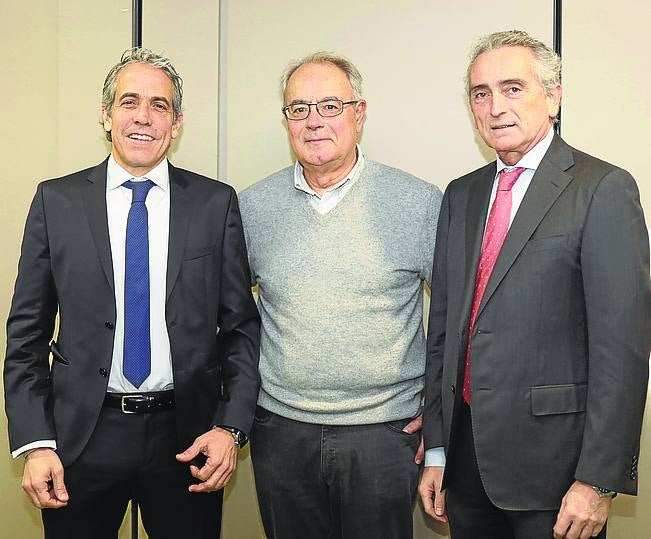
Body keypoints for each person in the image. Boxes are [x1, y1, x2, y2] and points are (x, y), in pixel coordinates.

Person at [3, 48, 260, 539]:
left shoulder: (214, 203)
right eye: (129, 102)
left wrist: (230, 428)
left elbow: (241, 327)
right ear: (106, 114)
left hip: (188, 440)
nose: (143, 117)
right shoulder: (56, 202)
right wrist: (35, 442)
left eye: (159, 105)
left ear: (177, 122)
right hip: (81, 439)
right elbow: (26, 336)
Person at [419, 30, 650, 539]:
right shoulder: (461, 194)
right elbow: (443, 333)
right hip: (465, 467)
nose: (495, 106)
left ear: (554, 95)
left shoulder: (603, 189)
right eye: (481, 93)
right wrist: (437, 449)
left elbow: (623, 350)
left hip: (558, 476)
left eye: (513, 88)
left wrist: (598, 480)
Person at [238, 52, 442, 538]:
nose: (313, 121)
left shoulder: (418, 202)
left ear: (359, 113)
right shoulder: (251, 207)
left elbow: (460, 324)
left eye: (330, 106)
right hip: (281, 432)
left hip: (386, 435)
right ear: (286, 119)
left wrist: (438, 424)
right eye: (298, 108)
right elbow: (227, 320)